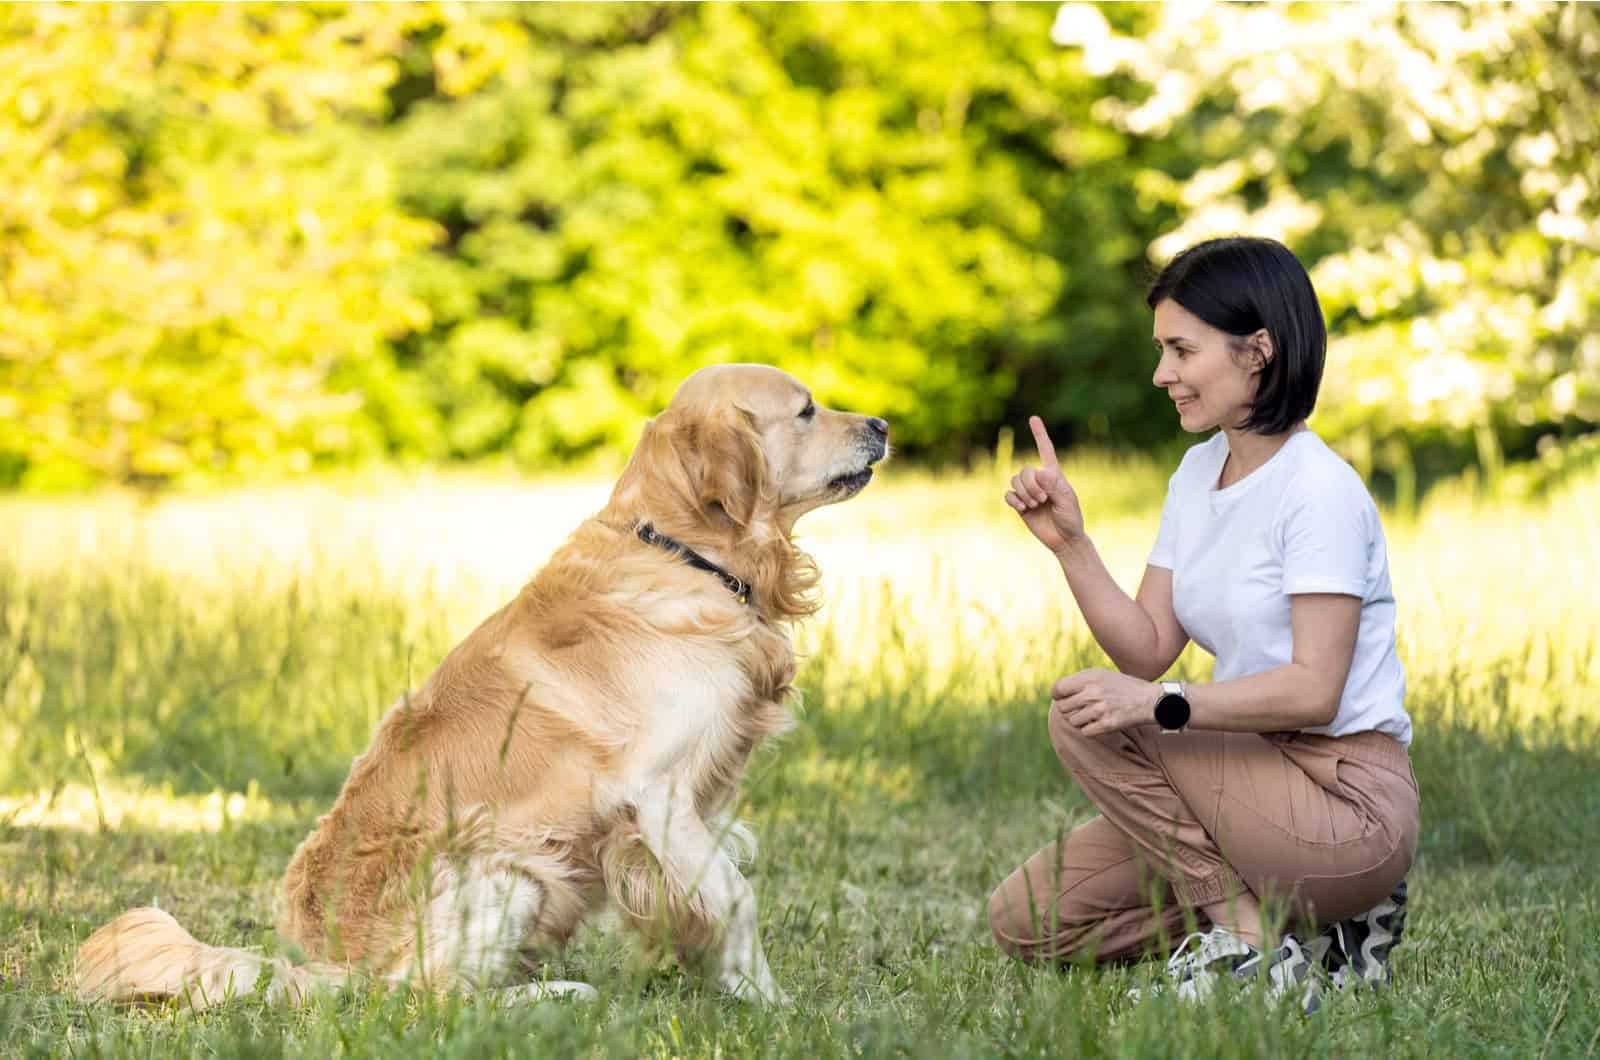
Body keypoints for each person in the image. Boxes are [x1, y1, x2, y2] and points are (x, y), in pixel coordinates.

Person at [987, 236, 1418, 1009]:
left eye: (1180, 350)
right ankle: (1301, 932)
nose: (1162, 374)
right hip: (1244, 785)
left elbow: (1315, 690)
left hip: (1344, 803)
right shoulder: (1197, 474)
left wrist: (1164, 708)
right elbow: (1146, 650)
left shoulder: (1318, 490)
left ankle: (1250, 945)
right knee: (1030, 918)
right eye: (1161, 350)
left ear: (1257, 351)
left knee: (1087, 720)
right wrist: (1072, 547)